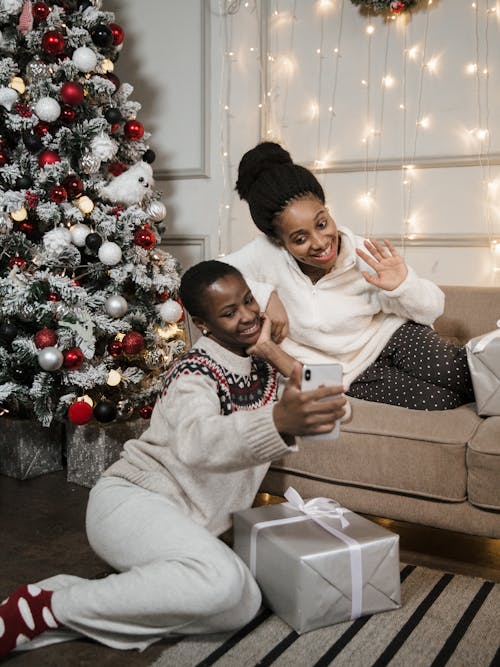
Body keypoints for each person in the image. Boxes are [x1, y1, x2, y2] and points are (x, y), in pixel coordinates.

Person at [0, 260, 348, 658]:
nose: (249, 315)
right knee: (226, 585)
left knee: (243, 603)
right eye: (230, 312)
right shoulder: (192, 374)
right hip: (132, 503)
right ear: (204, 324)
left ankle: (60, 599)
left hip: (186, 525)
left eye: (248, 301)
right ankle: (45, 609)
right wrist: (278, 420)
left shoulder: (265, 370)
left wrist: (271, 350)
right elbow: (198, 442)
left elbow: (336, 407)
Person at [225, 141, 474, 411]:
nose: (320, 242)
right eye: (300, 238)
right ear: (278, 240)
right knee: (441, 401)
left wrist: (404, 285)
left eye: (322, 224)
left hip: (391, 336)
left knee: (462, 372)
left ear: (327, 210)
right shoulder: (264, 255)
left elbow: (433, 310)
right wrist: (267, 296)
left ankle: (455, 352)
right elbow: (206, 277)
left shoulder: (362, 253)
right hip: (346, 371)